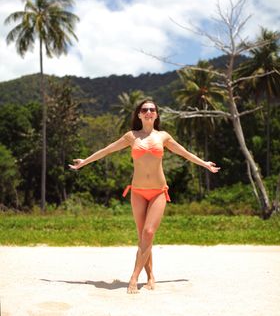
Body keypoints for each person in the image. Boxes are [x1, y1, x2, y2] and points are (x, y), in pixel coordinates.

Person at [69, 100, 220, 294]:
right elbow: (107, 150)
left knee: (148, 233)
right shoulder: (131, 136)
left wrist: (205, 164)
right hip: (138, 192)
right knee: (143, 238)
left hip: (158, 191)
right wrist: (84, 162)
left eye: (152, 109)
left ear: (156, 115)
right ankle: (150, 276)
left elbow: (185, 153)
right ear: (139, 115)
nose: (148, 112)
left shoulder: (163, 136)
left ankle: (134, 277)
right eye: (144, 109)